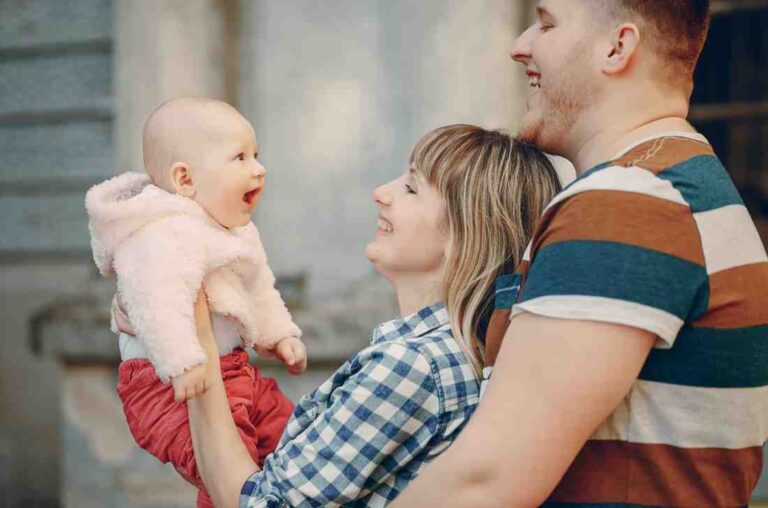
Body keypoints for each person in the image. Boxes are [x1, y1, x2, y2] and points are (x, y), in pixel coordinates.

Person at [391, 1, 768, 507]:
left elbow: (487, 478)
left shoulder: (629, 202)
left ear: (618, 48)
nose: (519, 45)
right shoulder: (676, 186)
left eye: (546, 23)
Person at [115, 124, 561, 506]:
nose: (381, 194)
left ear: (465, 232)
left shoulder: (410, 367)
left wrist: (198, 343)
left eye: (410, 187)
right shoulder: (460, 356)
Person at [87, 97, 305, 508]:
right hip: (163, 383)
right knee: (226, 467)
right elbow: (156, 303)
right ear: (185, 180)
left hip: (234, 373)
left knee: (289, 428)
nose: (258, 168)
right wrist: (183, 362)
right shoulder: (161, 234)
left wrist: (278, 334)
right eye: (239, 157)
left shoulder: (233, 230)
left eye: (256, 155)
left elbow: (258, 285)